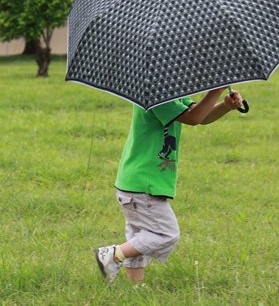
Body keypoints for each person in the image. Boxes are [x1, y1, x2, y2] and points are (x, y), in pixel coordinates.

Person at [95, 87, 244, 284]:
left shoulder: (173, 90)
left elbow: (201, 115)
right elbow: (192, 117)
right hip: (144, 182)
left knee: (140, 239)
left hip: (139, 180)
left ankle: (136, 290)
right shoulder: (154, 93)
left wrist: (225, 106)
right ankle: (112, 255)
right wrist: (215, 91)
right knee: (166, 234)